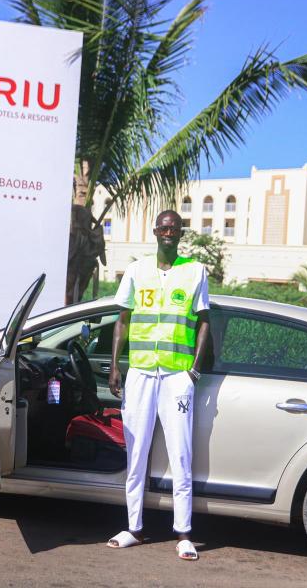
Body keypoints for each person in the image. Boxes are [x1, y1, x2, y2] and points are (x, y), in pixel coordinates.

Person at [105, 209, 210, 561]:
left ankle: (183, 534)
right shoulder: (137, 270)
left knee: (181, 454)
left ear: (181, 234)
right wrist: (116, 365)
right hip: (141, 373)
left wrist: (193, 371)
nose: (169, 232)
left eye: (175, 228)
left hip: (177, 376)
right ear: (155, 231)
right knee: (136, 452)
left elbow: (205, 322)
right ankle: (134, 527)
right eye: (164, 227)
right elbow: (122, 320)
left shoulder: (195, 271)